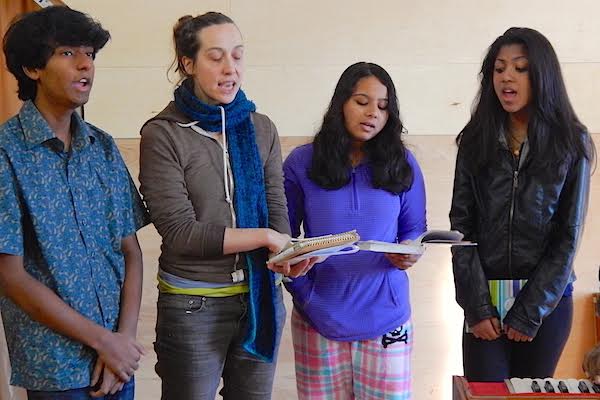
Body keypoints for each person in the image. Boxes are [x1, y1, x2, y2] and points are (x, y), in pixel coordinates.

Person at [138, 12, 314, 400]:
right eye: (215, 57)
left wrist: (287, 252)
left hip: (259, 300)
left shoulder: (261, 127)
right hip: (192, 306)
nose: (229, 68)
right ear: (188, 63)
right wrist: (266, 236)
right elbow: (181, 234)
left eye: (237, 56)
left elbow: (275, 204)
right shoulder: (162, 134)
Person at [0, 6, 149, 399]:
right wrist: (103, 341)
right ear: (33, 68)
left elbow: (131, 251)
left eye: (91, 54)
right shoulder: (5, 152)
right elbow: (10, 275)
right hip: (56, 368)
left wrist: (123, 341)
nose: (86, 65)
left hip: (118, 362)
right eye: (68, 53)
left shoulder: (102, 147)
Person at [450, 27, 594, 381]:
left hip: (545, 304)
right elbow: (461, 228)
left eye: (520, 67)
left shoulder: (572, 143)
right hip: (486, 301)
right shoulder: (475, 139)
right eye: (499, 69)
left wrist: (530, 311)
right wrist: (477, 306)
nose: (506, 77)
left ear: (541, 74)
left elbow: (568, 235)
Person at [283, 62, 426, 399]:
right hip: (317, 319)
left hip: (387, 319)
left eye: (382, 106)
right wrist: (306, 295)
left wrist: (409, 251)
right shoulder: (301, 162)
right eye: (362, 102)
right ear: (341, 104)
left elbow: (414, 229)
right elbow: (283, 242)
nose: (373, 113)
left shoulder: (403, 162)